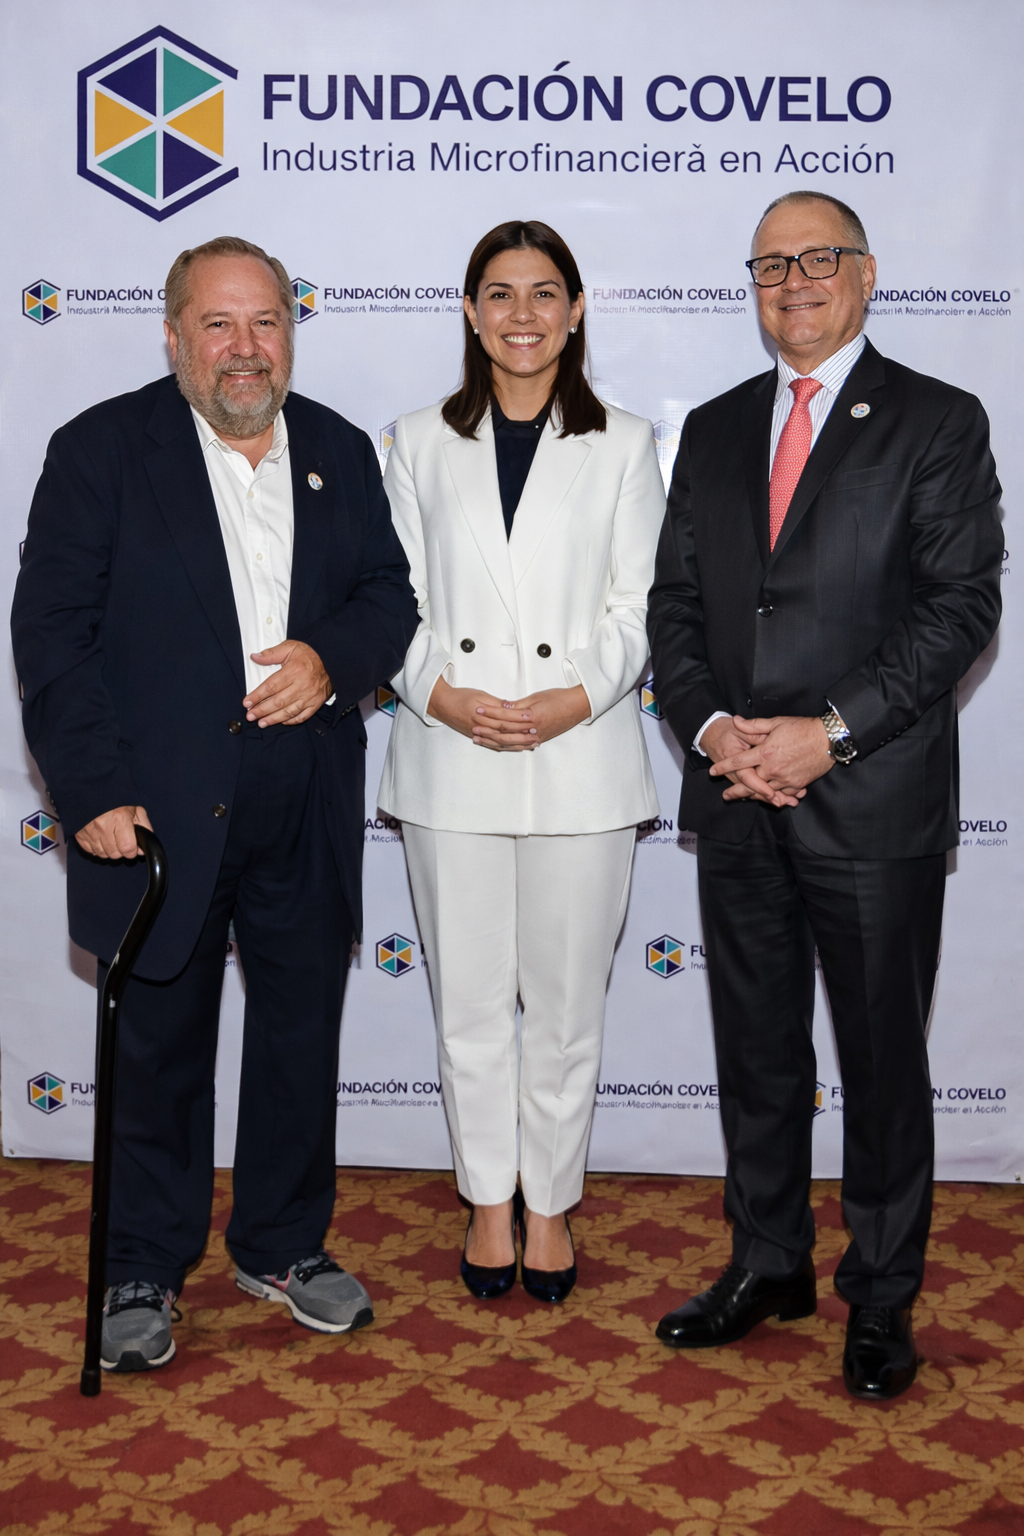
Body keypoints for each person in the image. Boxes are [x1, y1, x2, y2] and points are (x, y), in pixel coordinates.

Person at [11, 236, 418, 1371]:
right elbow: (51, 635)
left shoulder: (338, 446)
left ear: (293, 329)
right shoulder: (101, 449)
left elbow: (391, 595)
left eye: (268, 323)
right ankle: (142, 1264)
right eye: (220, 324)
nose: (246, 350)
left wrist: (331, 661)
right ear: (175, 331)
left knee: (298, 1037)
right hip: (151, 813)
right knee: (158, 1051)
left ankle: (283, 1245)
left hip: (304, 803)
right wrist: (88, 790)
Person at [647, 191, 1001, 1400]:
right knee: (755, 1053)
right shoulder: (710, 427)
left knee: (881, 1064)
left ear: (862, 273)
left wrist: (827, 734)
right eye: (767, 265)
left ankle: (882, 1297)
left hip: (871, 801)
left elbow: (959, 609)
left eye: (815, 259)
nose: (791, 281)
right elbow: (675, 611)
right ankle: (768, 1263)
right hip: (736, 792)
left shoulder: (938, 421)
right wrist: (711, 733)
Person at [377, 220, 665, 1302]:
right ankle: (486, 1204)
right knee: (465, 1004)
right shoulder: (411, 441)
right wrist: (440, 693)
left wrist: (573, 698)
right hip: (449, 753)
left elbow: (639, 607)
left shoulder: (627, 443)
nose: (523, 315)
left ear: (576, 310)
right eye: (499, 294)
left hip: (580, 757)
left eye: (545, 293)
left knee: (563, 1008)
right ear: (468, 311)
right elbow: (385, 599)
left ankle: (550, 1209)